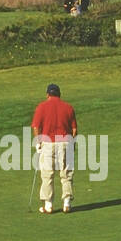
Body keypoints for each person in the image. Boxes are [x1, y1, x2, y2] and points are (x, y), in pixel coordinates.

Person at [31, 83, 77, 213]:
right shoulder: (68, 107)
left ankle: (48, 205)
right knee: (66, 174)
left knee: (47, 174)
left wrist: (38, 143)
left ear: (47, 94)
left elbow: (36, 127)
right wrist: (72, 144)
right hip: (65, 142)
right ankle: (67, 203)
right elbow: (74, 129)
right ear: (59, 94)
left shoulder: (42, 106)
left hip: (48, 143)